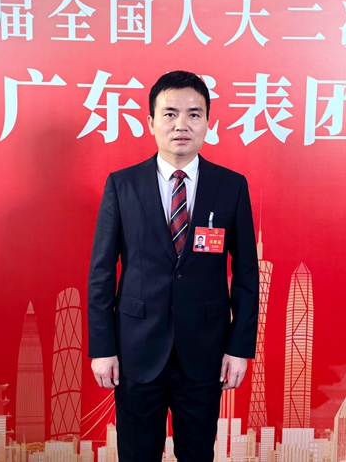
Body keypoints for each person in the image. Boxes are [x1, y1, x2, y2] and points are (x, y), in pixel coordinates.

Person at [87, 70, 259, 462]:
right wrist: (103, 348)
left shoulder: (231, 186)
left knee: (197, 455)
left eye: (194, 114)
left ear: (208, 122)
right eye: (169, 114)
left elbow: (247, 274)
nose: (181, 124)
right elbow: (101, 273)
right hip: (135, 351)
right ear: (151, 122)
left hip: (205, 352)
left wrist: (239, 348)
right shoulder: (123, 185)